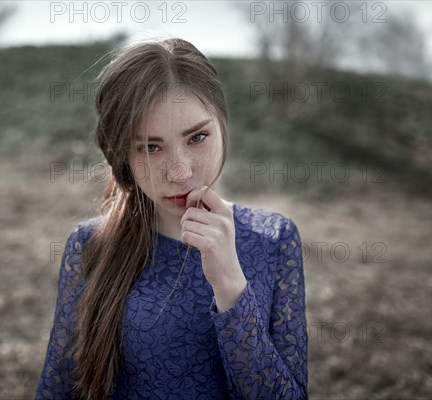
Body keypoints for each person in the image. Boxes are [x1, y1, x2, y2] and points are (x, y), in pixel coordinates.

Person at [35, 37, 308, 400]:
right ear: (123, 156)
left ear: (222, 126)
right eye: (150, 147)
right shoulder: (90, 246)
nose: (179, 173)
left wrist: (230, 286)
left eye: (197, 137)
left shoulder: (274, 239)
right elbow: (58, 391)